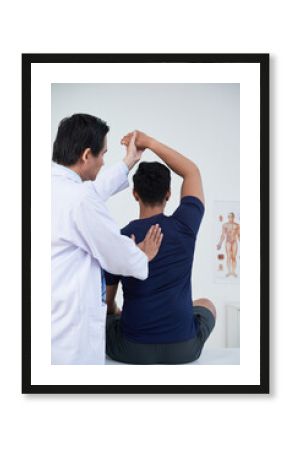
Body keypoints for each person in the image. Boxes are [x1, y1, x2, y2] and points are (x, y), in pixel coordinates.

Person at [51, 115, 163, 365]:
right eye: (102, 154)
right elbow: (115, 254)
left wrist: (129, 160)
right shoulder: (79, 199)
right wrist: (141, 254)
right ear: (86, 155)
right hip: (68, 335)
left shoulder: (52, 187)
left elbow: (93, 190)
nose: (103, 162)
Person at [105, 130, 216, 364]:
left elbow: (107, 302)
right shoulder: (185, 225)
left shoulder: (121, 238)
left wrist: (116, 311)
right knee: (207, 305)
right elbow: (191, 172)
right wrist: (150, 143)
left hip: (131, 350)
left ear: (135, 195)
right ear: (168, 194)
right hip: (183, 349)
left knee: (108, 318)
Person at [217, 212, 240, 277]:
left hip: (234, 241)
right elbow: (223, 235)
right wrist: (220, 243)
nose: (230, 218)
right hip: (228, 242)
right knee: (228, 256)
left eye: (231, 217)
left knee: (234, 257)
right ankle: (229, 272)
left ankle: (233, 272)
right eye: (229, 217)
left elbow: (239, 235)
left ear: (233, 217)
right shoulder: (225, 225)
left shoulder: (237, 225)